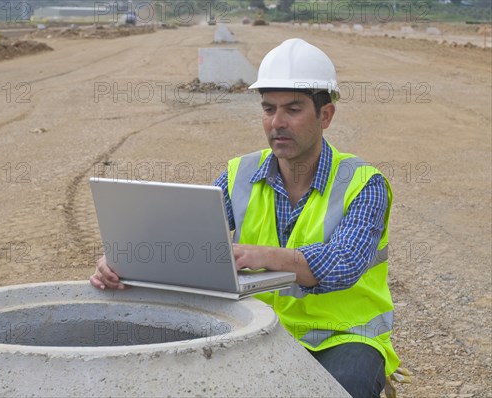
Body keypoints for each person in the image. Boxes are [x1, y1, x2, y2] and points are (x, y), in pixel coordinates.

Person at [91, 38, 400, 398]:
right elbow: (184, 238)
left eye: (293, 109)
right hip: (258, 328)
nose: (277, 123)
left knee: (339, 389)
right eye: (269, 109)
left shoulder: (363, 183)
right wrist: (123, 260)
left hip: (344, 336)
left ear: (326, 115)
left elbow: (344, 263)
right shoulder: (240, 173)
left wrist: (262, 255)